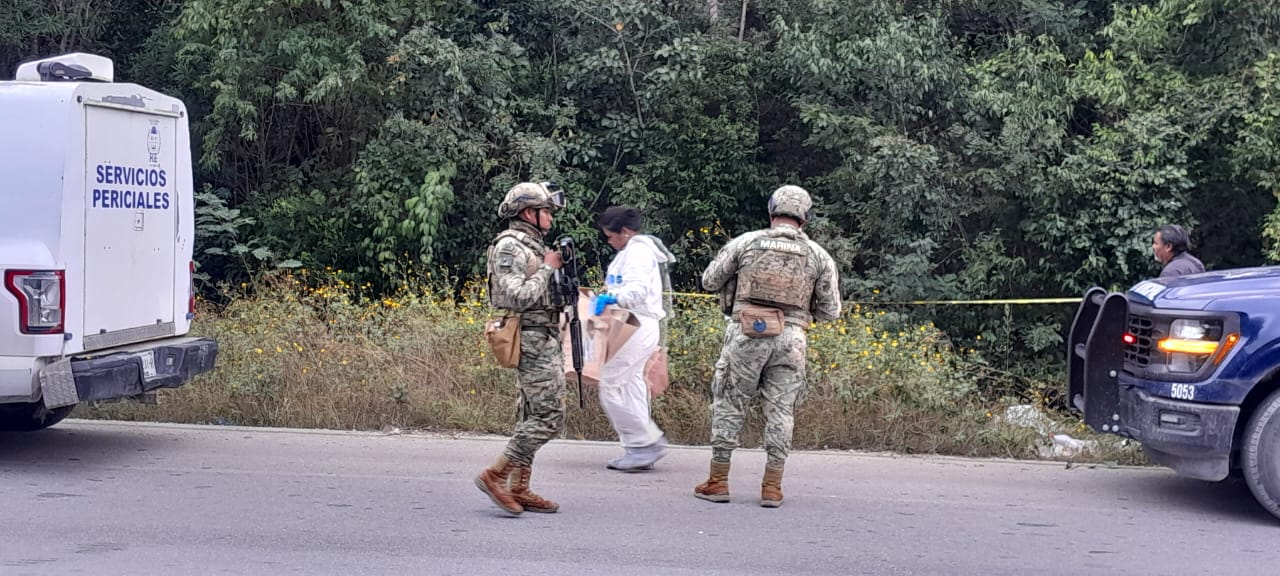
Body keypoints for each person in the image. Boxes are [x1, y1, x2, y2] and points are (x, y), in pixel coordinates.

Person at [694, 185, 841, 508]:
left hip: (747, 332)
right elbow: (831, 310)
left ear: (772, 212)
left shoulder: (746, 242)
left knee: (730, 402)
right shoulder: (819, 255)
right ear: (805, 217)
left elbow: (709, 280)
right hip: (792, 340)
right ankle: (772, 487)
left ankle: (718, 481)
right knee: (781, 410)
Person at [474, 181, 568, 516]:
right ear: (529, 213)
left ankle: (520, 486)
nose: (551, 219)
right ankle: (496, 475)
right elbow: (515, 296)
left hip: (543, 335)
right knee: (549, 416)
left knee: (530, 413)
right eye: (547, 212)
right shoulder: (510, 247)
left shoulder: (532, 245)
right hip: (528, 337)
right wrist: (548, 269)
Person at [592, 206, 675, 472]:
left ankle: (644, 442)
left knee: (611, 384)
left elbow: (637, 291)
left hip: (636, 323)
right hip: (635, 323)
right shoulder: (631, 252)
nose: (609, 241)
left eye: (611, 236)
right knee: (631, 384)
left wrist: (612, 298)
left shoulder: (638, 252)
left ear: (625, 232)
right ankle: (639, 449)